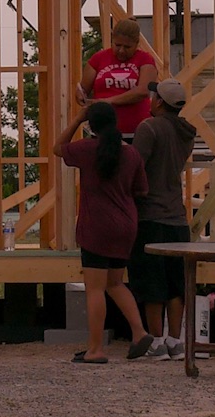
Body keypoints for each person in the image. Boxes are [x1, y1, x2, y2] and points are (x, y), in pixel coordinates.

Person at [54, 101, 154, 363]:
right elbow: (142, 191)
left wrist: (77, 119)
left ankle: (95, 349)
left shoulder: (87, 150)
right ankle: (139, 332)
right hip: (126, 225)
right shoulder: (131, 154)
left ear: (91, 126)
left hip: (97, 226)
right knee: (115, 282)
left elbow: (57, 149)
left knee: (95, 289)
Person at [129, 77, 196, 360]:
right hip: (177, 219)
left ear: (158, 101)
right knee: (175, 283)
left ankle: (156, 342)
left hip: (151, 216)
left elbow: (134, 167)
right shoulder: (186, 132)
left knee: (152, 283)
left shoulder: (149, 128)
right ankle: (174, 341)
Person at [80, 17, 158, 136]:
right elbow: (84, 89)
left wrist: (107, 101)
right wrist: (80, 95)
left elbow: (142, 91)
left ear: (136, 44)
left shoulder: (145, 59)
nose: (121, 51)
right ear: (112, 40)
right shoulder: (98, 59)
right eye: (117, 45)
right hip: (102, 132)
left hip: (136, 132)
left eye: (127, 47)